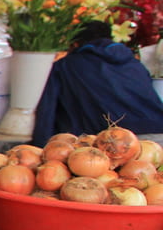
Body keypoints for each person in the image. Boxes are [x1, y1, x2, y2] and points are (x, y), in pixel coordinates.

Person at [33, 20, 163, 144]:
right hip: (157, 136)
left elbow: (46, 114)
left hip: (110, 142)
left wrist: (39, 148)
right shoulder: (134, 63)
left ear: (76, 43)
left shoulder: (65, 65)